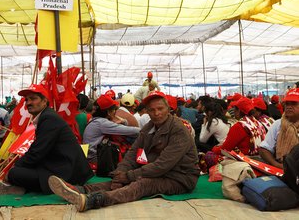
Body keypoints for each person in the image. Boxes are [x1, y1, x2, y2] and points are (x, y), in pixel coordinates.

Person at [48, 91, 200, 212]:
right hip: (160, 172)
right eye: (152, 110)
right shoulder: (148, 128)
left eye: (160, 109)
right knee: (121, 180)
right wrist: (119, 174)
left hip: (180, 177)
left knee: (142, 184)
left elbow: (163, 164)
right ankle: (80, 190)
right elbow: (133, 153)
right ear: (146, 111)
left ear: (169, 109)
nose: (156, 113)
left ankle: (95, 200)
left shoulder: (179, 130)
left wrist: (128, 175)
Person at [0, 84, 93, 195]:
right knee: (19, 170)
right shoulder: (46, 116)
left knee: (14, 173)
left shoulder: (48, 118)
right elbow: (38, 150)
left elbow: (37, 152)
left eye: (33, 99)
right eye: (26, 100)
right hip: (61, 166)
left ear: (44, 101)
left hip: (67, 172)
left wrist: (15, 166)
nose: (28, 103)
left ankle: (57, 185)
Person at [83, 94, 140, 164]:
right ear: (108, 112)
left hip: (90, 155)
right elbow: (134, 131)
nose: (115, 112)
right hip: (94, 157)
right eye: (114, 110)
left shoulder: (96, 120)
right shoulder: (102, 123)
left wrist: (123, 121)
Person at [259, 88, 299, 168]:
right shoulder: (278, 124)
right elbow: (264, 149)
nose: (289, 107)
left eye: (294, 104)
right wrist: (276, 165)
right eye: (287, 104)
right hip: (281, 169)